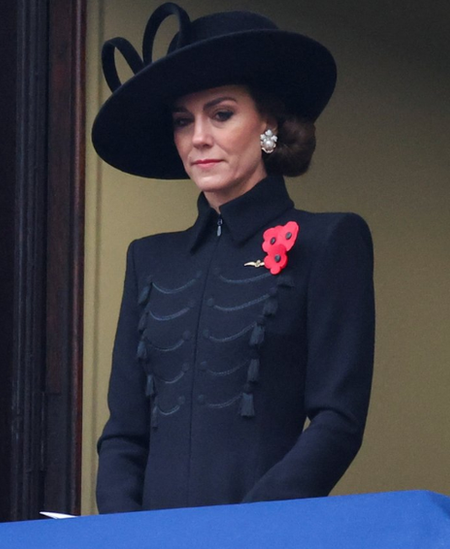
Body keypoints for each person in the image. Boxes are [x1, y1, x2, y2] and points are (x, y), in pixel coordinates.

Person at [92, 4, 375, 512]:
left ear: (269, 126)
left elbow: (338, 419)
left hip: (265, 534)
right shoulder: (149, 259)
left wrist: (251, 527)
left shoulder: (330, 240)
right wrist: (122, 534)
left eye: (221, 114)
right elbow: (124, 435)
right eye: (184, 120)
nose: (198, 137)